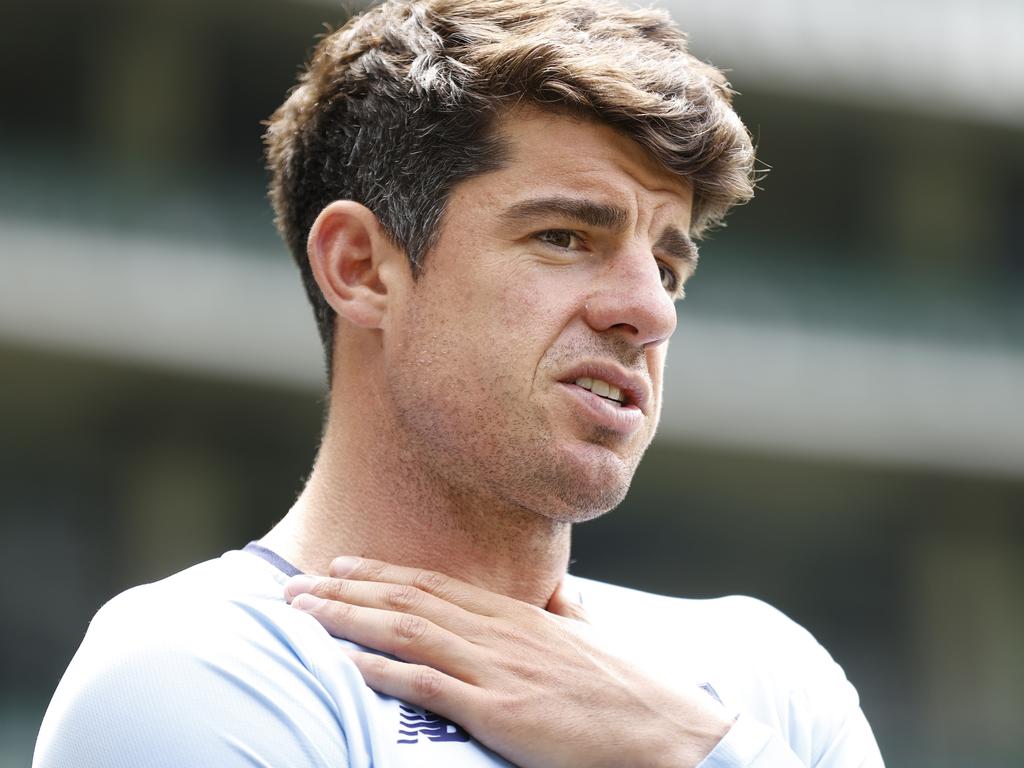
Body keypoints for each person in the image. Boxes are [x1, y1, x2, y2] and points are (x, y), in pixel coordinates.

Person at [34, 0, 884, 765]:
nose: (647, 313)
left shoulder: (764, 674)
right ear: (362, 267)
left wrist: (687, 750)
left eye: (667, 266)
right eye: (563, 237)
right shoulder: (197, 670)